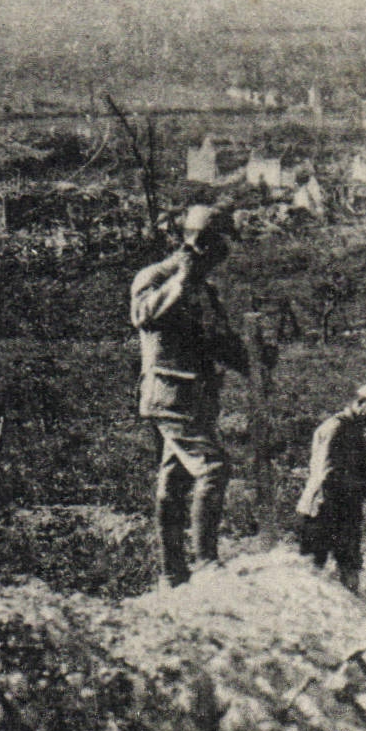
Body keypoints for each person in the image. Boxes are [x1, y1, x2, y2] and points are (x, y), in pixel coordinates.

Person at [130, 205, 250, 588]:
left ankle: (173, 574)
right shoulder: (155, 278)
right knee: (212, 466)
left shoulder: (205, 290)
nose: (220, 258)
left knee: (175, 483)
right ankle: (205, 561)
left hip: (197, 398)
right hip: (170, 395)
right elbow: (146, 316)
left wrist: (254, 359)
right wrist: (182, 278)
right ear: (198, 244)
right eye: (216, 249)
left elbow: (218, 342)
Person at [295, 383, 366, 594]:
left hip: (343, 512)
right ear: (360, 403)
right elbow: (327, 475)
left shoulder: (354, 431)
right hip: (321, 511)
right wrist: (360, 490)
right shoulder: (336, 428)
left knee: (350, 569)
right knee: (312, 574)